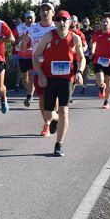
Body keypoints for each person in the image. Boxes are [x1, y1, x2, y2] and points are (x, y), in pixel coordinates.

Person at [32, 10, 85, 157]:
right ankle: (54, 120)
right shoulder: (49, 36)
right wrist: (41, 75)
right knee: (49, 114)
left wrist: (79, 72)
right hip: (49, 78)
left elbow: (82, 58)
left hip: (67, 78)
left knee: (64, 111)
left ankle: (58, 145)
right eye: (59, 20)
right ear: (55, 22)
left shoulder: (75, 38)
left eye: (64, 20)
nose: (61, 22)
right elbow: (35, 55)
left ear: (70, 22)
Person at [21, 2, 57, 119]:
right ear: (40, 13)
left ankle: (53, 116)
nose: (45, 12)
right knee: (42, 96)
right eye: (43, 10)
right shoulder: (33, 29)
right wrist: (25, 42)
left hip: (53, 68)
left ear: (53, 13)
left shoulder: (56, 28)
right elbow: (24, 49)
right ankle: (46, 123)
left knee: (53, 96)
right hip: (38, 67)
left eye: (48, 9)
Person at [14, 10, 36, 100]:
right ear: (25, 18)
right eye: (28, 18)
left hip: (33, 55)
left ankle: (29, 95)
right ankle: (31, 91)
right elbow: (13, 41)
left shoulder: (38, 27)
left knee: (31, 75)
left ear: (35, 18)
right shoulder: (19, 28)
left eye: (31, 17)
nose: (29, 20)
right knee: (24, 79)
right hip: (22, 55)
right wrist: (20, 38)